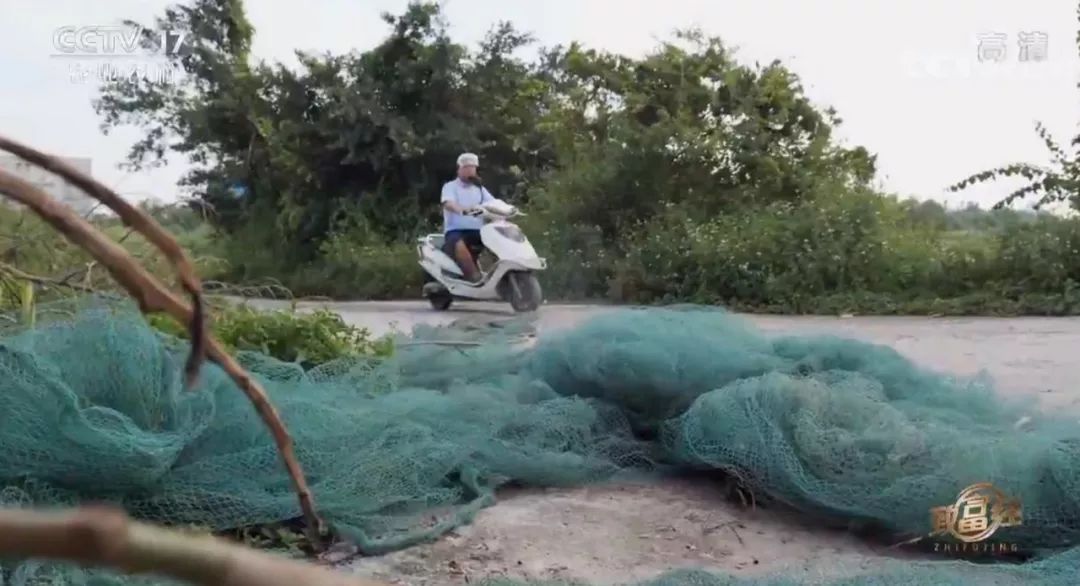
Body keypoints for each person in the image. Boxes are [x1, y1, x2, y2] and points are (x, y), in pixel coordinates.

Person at [441, 152, 494, 282]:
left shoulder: (480, 189)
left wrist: (504, 211)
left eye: (473, 168)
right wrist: (461, 210)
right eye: (467, 168)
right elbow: (448, 203)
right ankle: (474, 277)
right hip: (456, 230)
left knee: (498, 239)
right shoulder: (450, 187)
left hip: (479, 231)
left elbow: (492, 203)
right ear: (459, 169)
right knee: (458, 243)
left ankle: (500, 275)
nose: (470, 171)